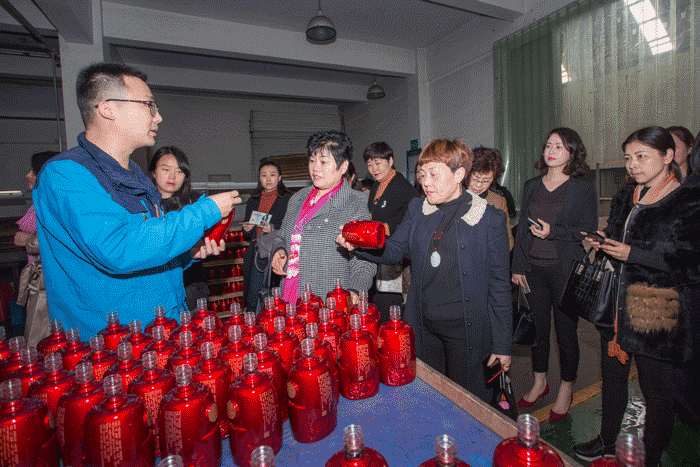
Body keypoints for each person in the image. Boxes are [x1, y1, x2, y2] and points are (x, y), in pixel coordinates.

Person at [33, 62, 240, 340]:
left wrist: (187, 253)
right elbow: (118, 247)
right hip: (114, 344)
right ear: (108, 109)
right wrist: (205, 211)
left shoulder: (135, 176)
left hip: (163, 329)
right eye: (149, 105)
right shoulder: (67, 175)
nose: (158, 117)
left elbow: (147, 248)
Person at [338, 139, 511, 402]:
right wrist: (359, 244)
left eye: (433, 174)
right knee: (429, 396)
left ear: (459, 175)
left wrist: (503, 344)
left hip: (466, 329)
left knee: (467, 401)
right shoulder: (418, 209)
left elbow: (499, 286)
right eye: (422, 174)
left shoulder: (489, 219)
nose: (425, 182)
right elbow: (394, 249)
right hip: (424, 325)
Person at [574, 126, 700, 466]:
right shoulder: (625, 197)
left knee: (656, 392)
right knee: (612, 378)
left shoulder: (686, 201)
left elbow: (691, 265)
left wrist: (634, 254)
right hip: (616, 307)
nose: (632, 164)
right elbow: (617, 236)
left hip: (654, 312)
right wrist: (603, 240)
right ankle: (607, 441)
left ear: (668, 156)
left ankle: (650, 456)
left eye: (641, 156)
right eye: (628, 157)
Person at [511, 128, 598, 420]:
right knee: (537, 331)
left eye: (559, 146)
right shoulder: (532, 185)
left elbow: (587, 230)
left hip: (565, 271)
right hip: (533, 269)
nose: (551, 151)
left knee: (565, 333)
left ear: (572, 152)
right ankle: (539, 382)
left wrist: (553, 232)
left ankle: (566, 387)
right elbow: (522, 229)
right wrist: (517, 266)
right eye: (549, 145)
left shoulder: (582, 187)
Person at [270, 130, 376, 305]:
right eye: (312, 161)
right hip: (289, 295)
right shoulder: (297, 198)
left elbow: (364, 260)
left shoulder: (354, 204)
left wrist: (355, 290)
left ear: (343, 166)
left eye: (323, 162)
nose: (315, 168)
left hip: (327, 301)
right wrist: (280, 251)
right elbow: (282, 236)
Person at [364, 142, 419, 323]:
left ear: (390, 160)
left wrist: (381, 227)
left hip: (397, 258)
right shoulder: (376, 186)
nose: (374, 169)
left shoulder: (404, 189)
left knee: (392, 313)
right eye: (370, 165)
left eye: (378, 163)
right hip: (378, 254)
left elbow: (410, 224)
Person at [149, 146, 209, 311]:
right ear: (153, 172)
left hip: (192, 284)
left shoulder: (195, 204)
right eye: (166, 169)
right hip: (157, 289)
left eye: (179, 171)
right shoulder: (143, 207)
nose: (172, 176)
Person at [14, 150, 58, 346]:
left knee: (41, 339)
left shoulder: (51, 204)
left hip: (47, 282)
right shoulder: (41, 202)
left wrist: (29, 241)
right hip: (40, 279)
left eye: (34, 170)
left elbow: (58, 242)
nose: (28, 175)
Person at [242, 158, 291, 311]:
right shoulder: (253, 200)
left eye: (272, 175)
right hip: (258, 253)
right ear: (259, 178)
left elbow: (292, 228)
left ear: (280, 177)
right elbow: (247, 234)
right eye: (264, 175)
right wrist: (247, 229)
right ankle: (255, 323)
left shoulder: (288, 199)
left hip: (279, 252)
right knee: (253, 297)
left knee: (278, 297)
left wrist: (273, 229)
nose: (268, 179)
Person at [467, 147, 514, 250]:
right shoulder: (453, 196)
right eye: (475, 178)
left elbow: (508, 242)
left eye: (486, 180)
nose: (478, 185)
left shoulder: (498, 202)